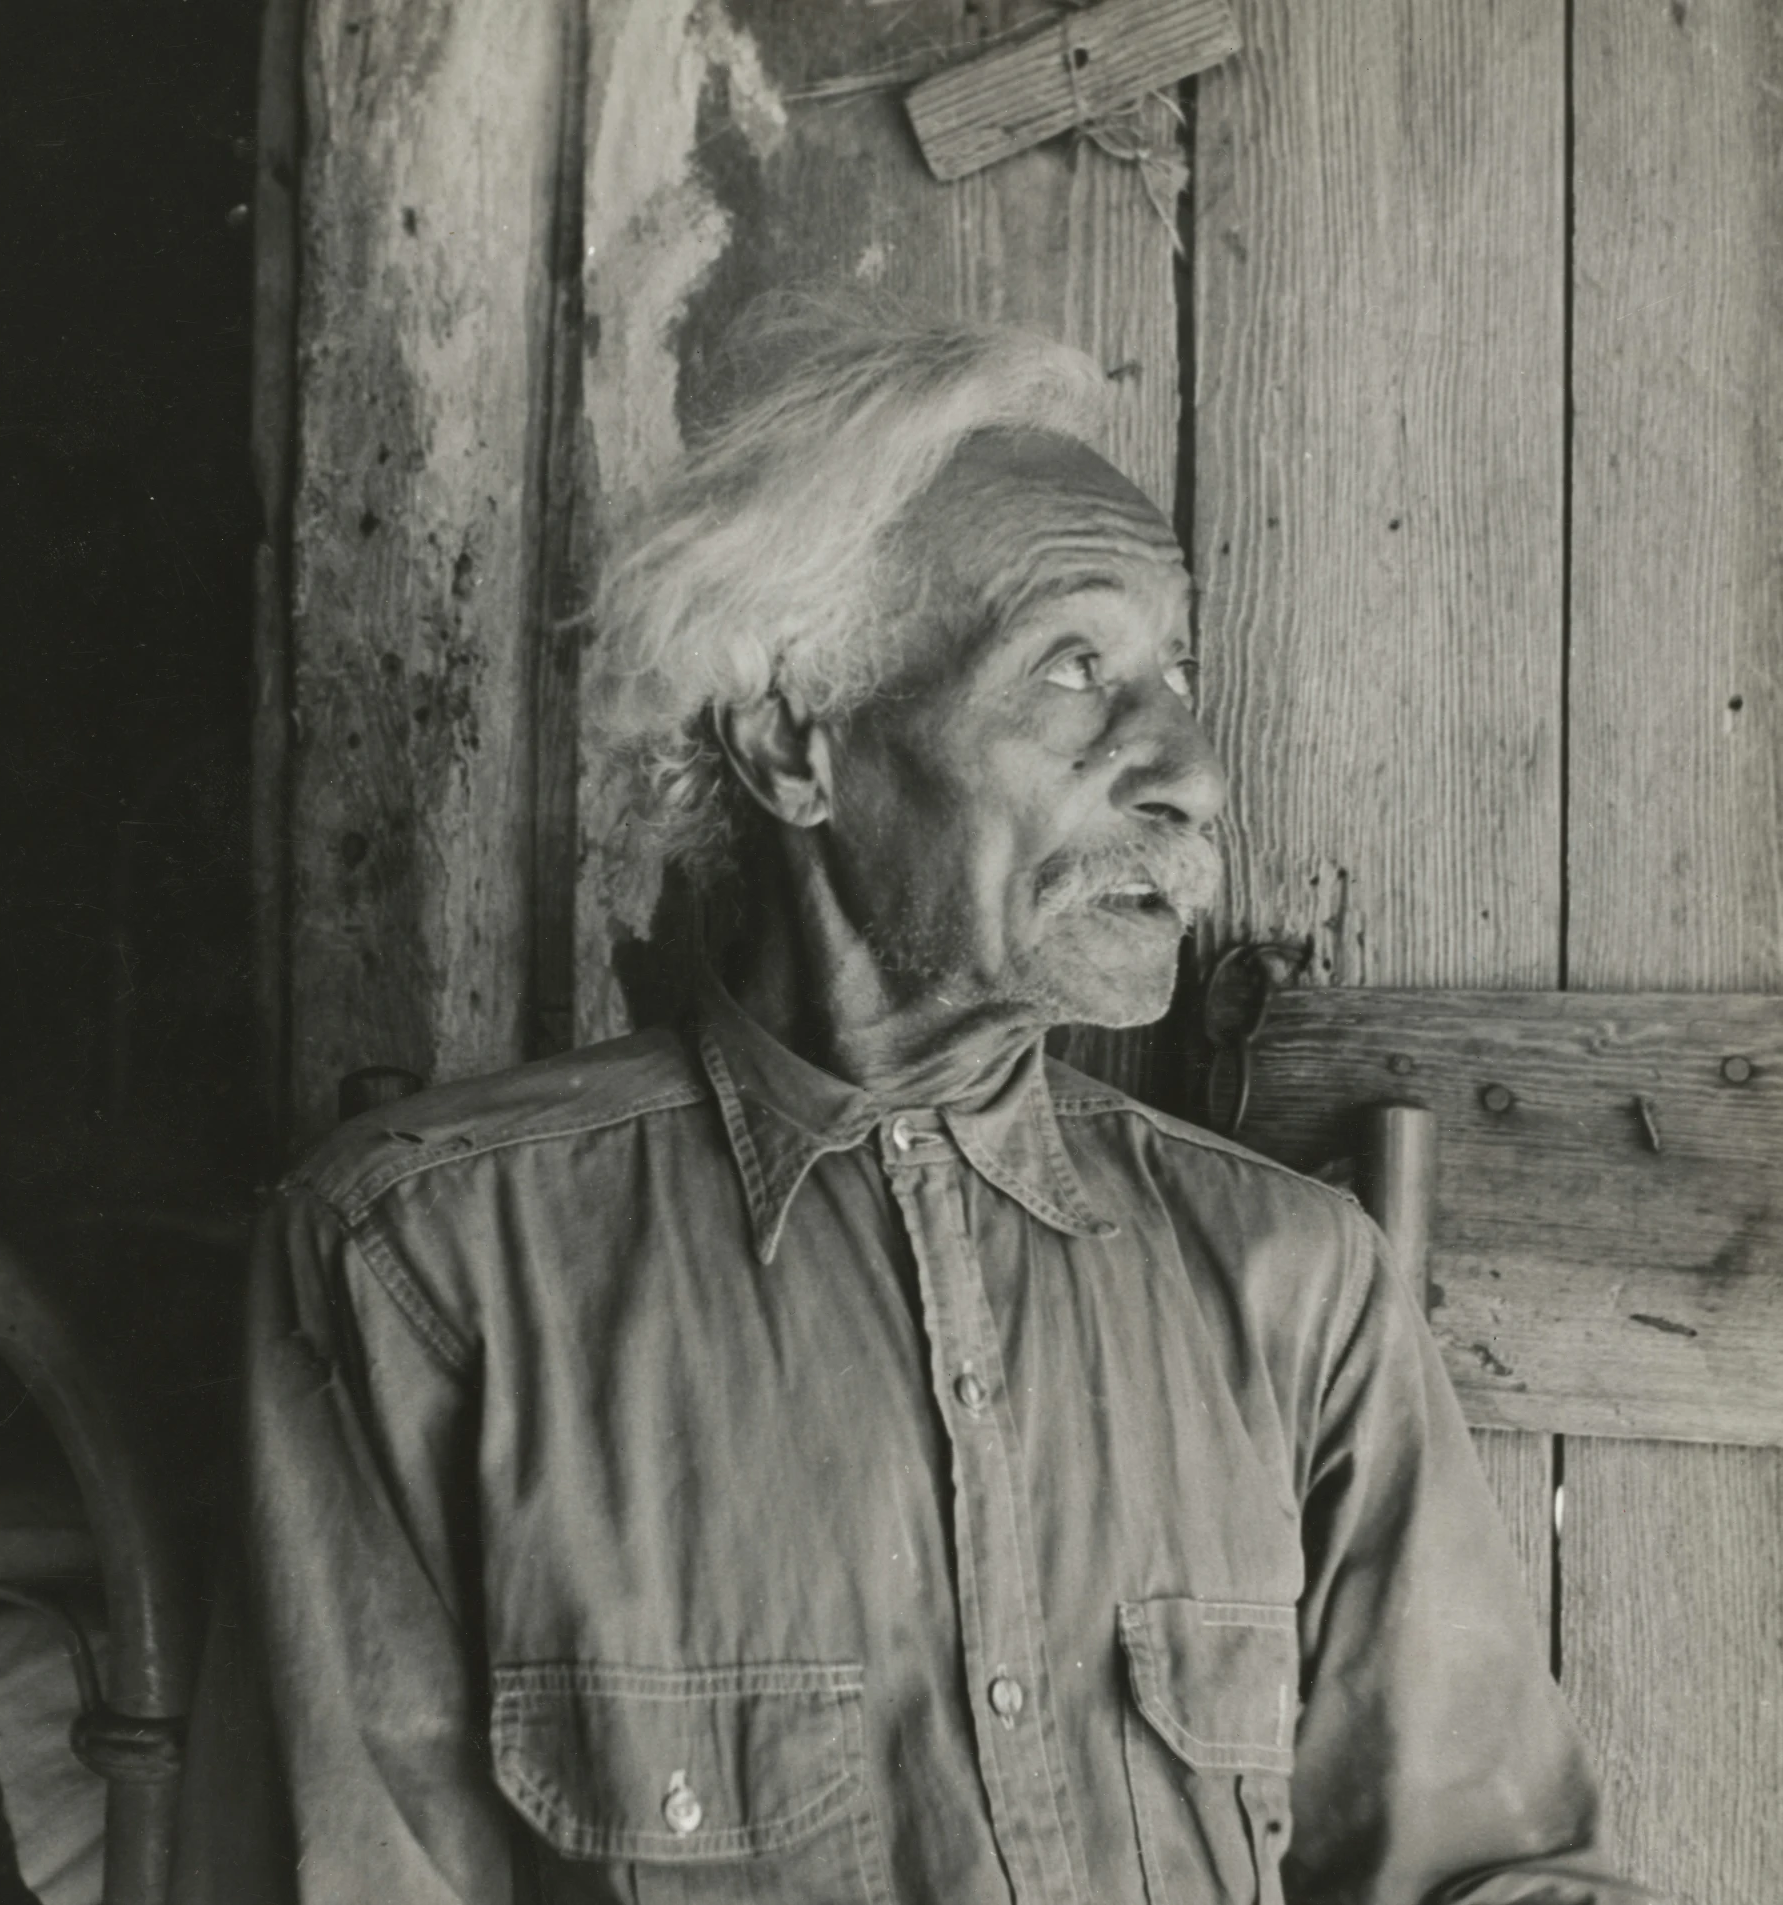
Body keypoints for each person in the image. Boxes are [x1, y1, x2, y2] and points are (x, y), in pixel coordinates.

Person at [231, 308, 1647, 1903]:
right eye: (1072, 666)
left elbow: (1488, 1870)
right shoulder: (425, 1262)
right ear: (792, 747)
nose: (1188, 768)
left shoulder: (1291, 1281)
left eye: (1175, 673)